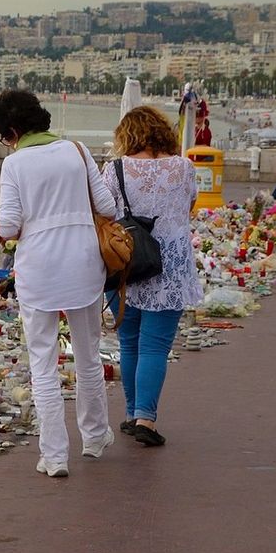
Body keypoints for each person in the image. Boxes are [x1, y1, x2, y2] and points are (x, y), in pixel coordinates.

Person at [0, 89, 118, 477]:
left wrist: (1, 232)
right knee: (88, 354)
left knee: (43, 363)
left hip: (40, 269)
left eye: (3, 136)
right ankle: (94, 437)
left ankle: (55, 455)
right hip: (83, 264)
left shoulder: (15, 164)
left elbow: (9, 225)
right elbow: (108, 208)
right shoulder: (76, 151)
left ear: (12, 130)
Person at [103, 106, 202, 448]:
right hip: (170, 266)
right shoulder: (184, 168)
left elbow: (103, 212)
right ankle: (146, 417)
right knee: (155, 346)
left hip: (124, 264)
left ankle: (132, 414)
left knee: (129, 342)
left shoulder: (114, 170)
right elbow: (190, 205)